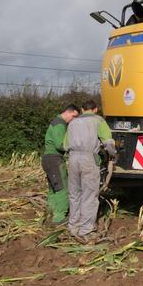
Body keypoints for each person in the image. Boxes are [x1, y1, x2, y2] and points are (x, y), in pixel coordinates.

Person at [63, 99, 116, 243]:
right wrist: (113, 154)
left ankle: (73, 226)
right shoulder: (98, 121)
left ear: (82, 109)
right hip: (88, 159)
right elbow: (108, 143)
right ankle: (86, 230)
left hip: (73, 159)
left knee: (75, 194)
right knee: (89, 195)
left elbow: (65, 144)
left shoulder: (73, 123)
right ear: (95, 109)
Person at [41, 104, 80, 225]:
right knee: (62, 188)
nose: (73, 120)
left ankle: (50, 212)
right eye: (74, 116)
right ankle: (59, 217)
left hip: (47, 159)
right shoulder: (59, 124)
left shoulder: (56, 122)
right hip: (55, 159)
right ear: (69, 112)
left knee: (53, 188)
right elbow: (60, 144)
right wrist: (74, 146)